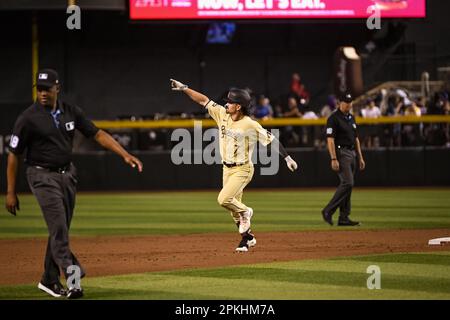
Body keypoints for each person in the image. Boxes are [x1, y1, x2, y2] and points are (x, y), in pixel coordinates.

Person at [5, 69, 143, 299]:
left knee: (59, 230)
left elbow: (97, 134)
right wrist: (10, 191)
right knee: (58, 228)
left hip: (67, 175)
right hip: (41, 176)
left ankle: (49, 280)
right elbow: (13, 155)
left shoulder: (70, 112)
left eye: (47, 89)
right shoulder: (27, 118)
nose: (43, 93)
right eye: (39, 89)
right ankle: (73, 279)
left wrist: (124, 154)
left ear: (57, 88)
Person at [170, 78, 298, 252]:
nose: (227, 104)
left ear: (239, 106)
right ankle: (248, 239)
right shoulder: (222, 114)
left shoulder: (250, 124)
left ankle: (246, 212)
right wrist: (184, 88)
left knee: (224, 199)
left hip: (243, 169)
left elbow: (272, 140)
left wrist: (287, 158)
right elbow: (203, 100)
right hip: (226, 169)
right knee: (232, 210)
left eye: (230, 102)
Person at [321, 93, 365, 226]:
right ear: (340, 103)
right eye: (346, 102)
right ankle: (328, 210)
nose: (349, 104)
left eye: (350, 102)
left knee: (348, 186)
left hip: (352, 153)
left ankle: (344, 217)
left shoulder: (351, 117)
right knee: (348, 183)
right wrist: (333, 158)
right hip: (341, 153)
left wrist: (360, 156)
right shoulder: (333, 118)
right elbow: (330, 140)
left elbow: (356, 138)